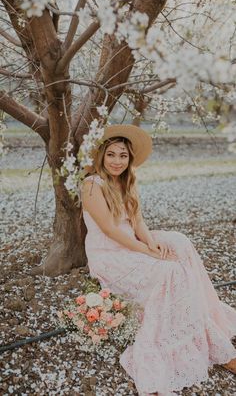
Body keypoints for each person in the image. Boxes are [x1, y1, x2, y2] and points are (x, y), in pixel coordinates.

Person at [81, 124, 236, 396]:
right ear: (101, 156)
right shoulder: (92, 184)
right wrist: (146, 252)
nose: (117, 161)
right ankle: (182, 344)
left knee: (180, 244)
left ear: (129, 160)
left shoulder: (125, 181)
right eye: (111, 155)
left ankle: (204, 323)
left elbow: (137, 220)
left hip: (132, 242)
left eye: (123, 156)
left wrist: (152, 243)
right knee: (169, 272)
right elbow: (109, 229)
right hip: (109, 254)